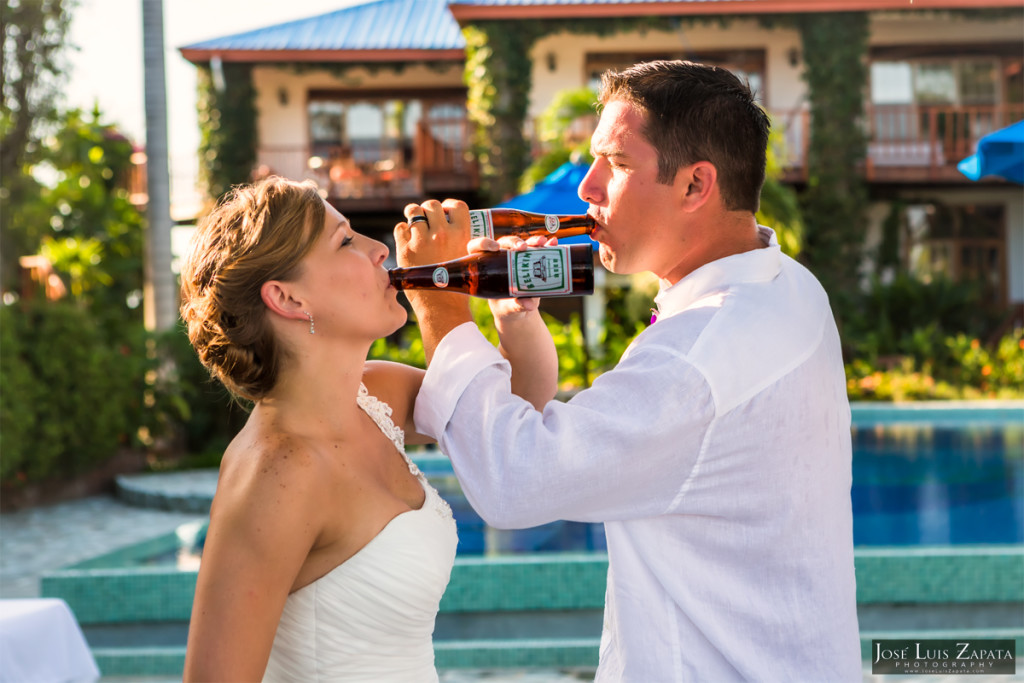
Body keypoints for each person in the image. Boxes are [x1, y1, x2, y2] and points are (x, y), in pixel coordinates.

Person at [394, 60, 862, 681]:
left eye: (615, 164)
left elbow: (515, 480)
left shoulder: (696, 360)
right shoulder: (789, 286)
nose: (586, 188)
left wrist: (440, 297)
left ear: (696, 186)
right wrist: (512, 310)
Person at [178, 176, 553, 682]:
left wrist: (512, 313)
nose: (381, 250)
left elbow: (515, 408)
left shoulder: (376, 397)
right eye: (346, 241)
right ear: (288, 299)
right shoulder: (278, 470)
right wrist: (440, 302)